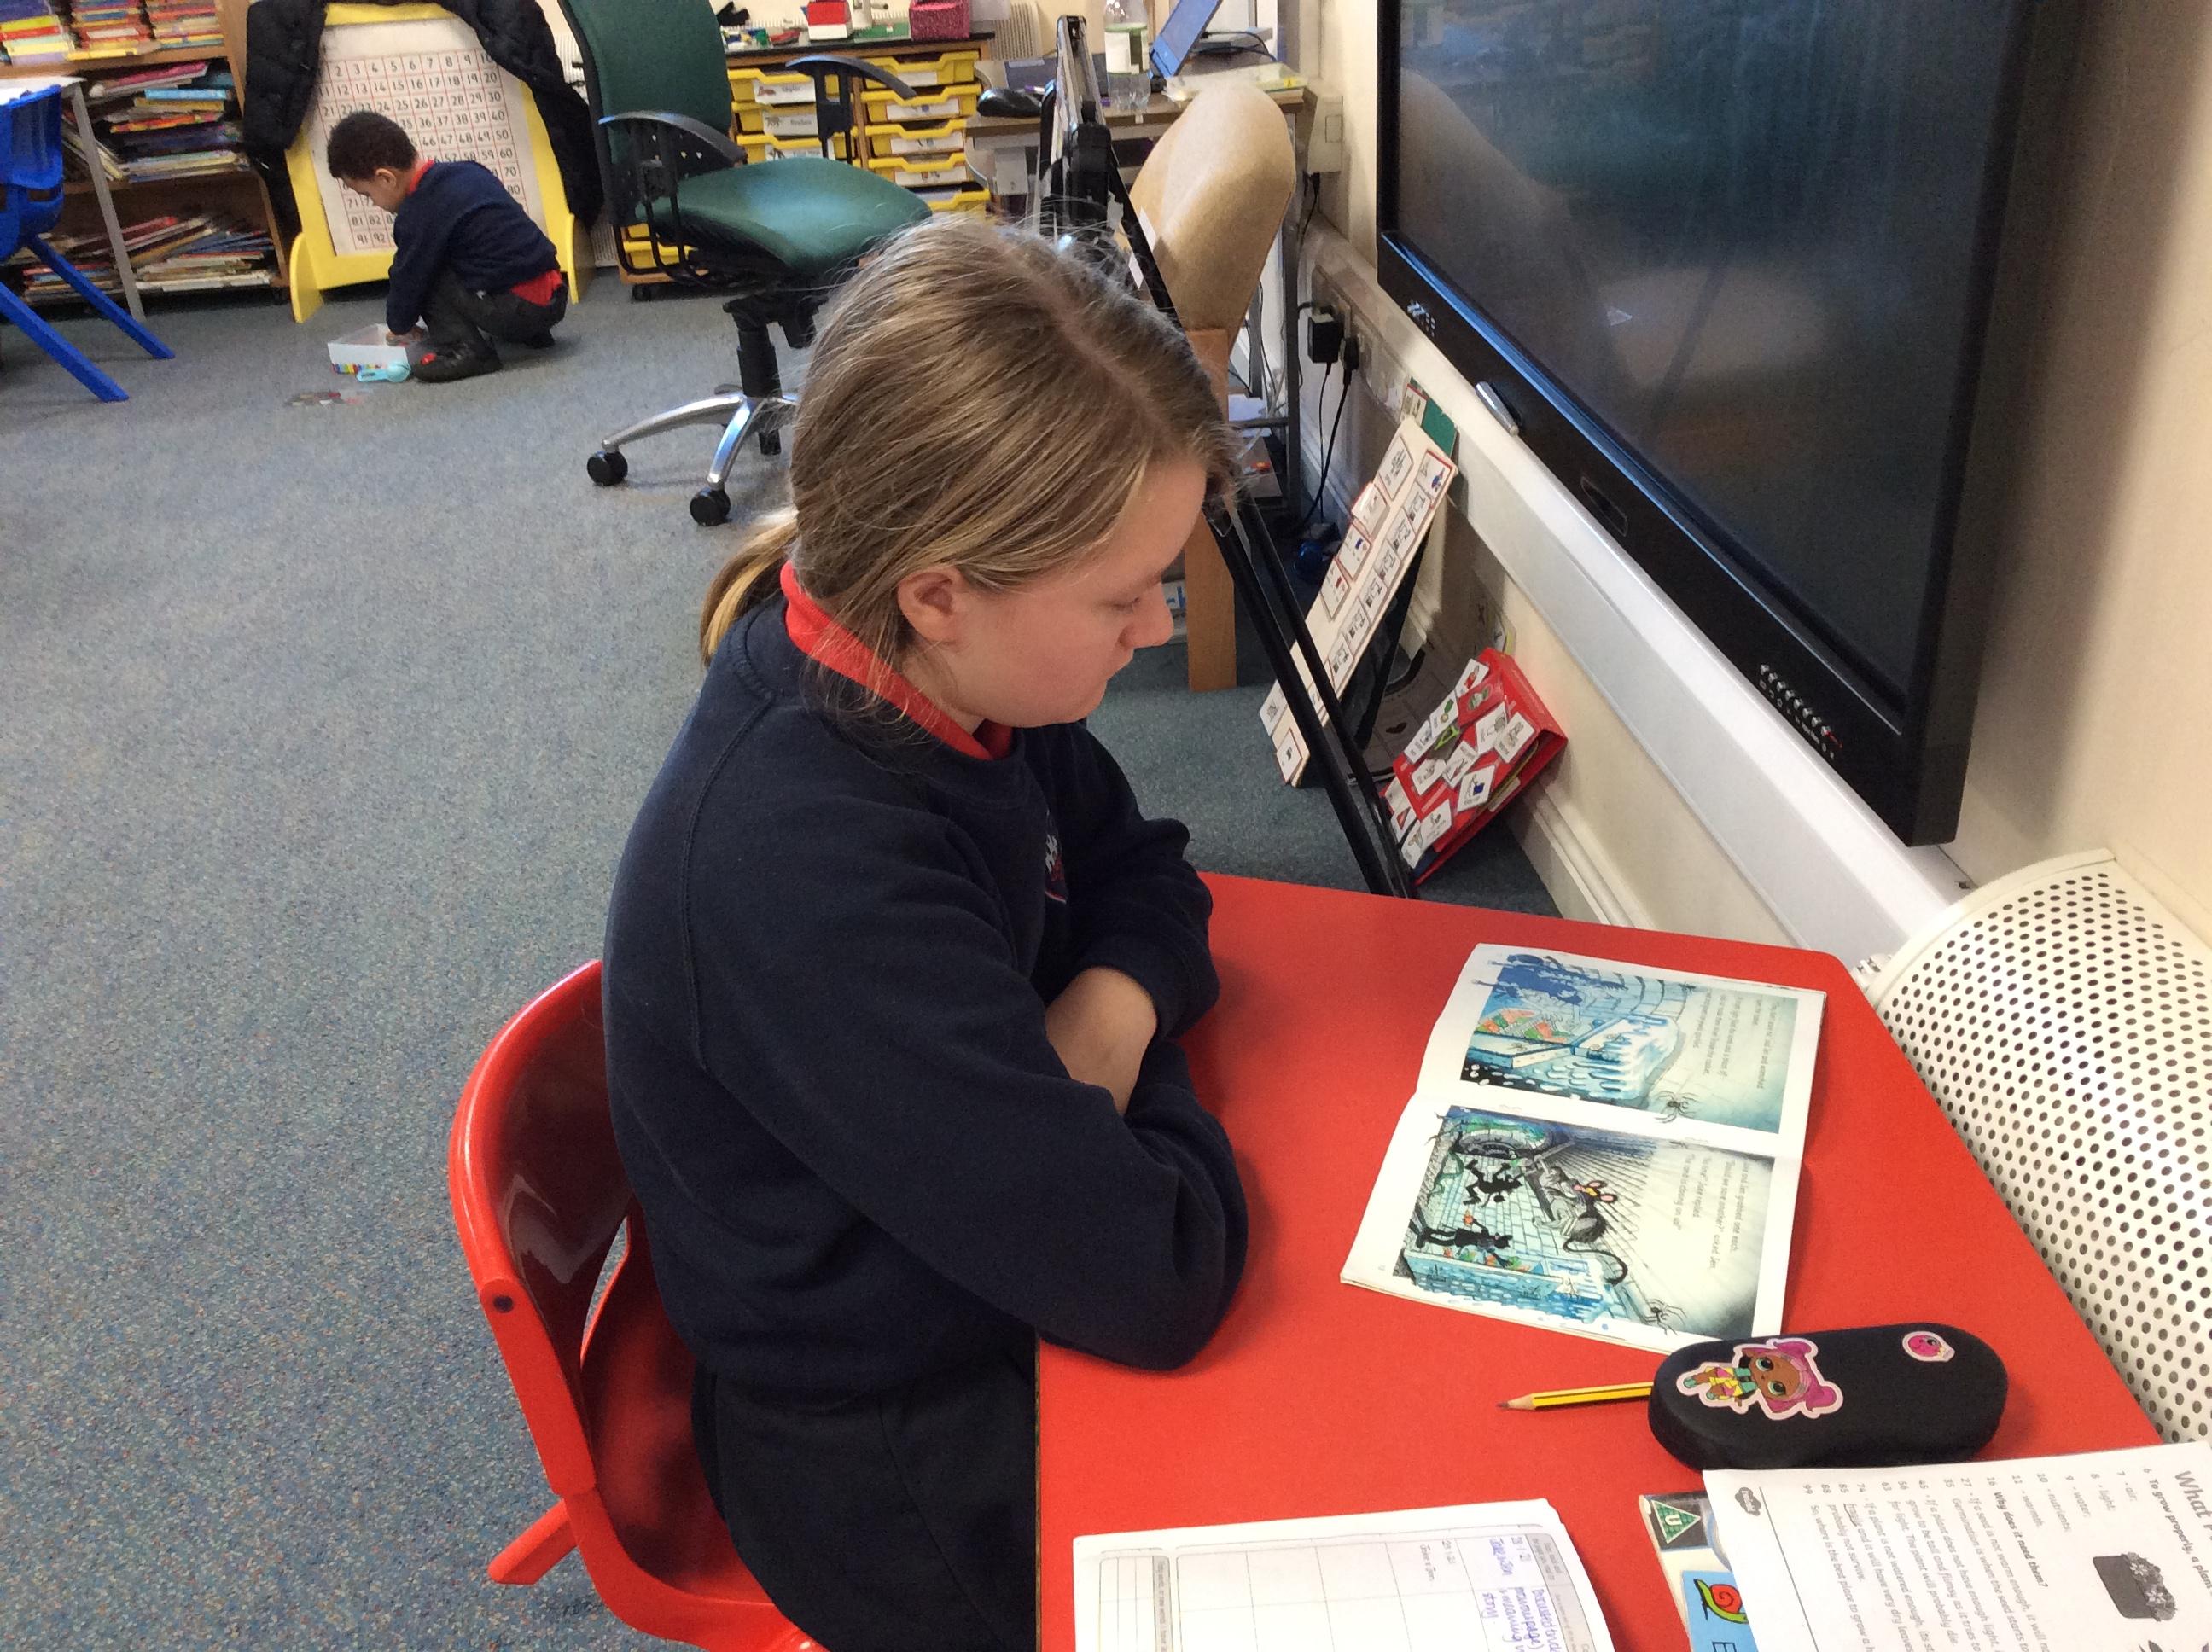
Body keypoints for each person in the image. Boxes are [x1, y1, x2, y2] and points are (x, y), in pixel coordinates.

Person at [602, 215, 1249, 1652]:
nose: (1154, 629)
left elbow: (1149, 876)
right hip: (885, 1446)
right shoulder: (800, 866)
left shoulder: (957, 686)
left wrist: (1100, 1025)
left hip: (974, 1264)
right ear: (939, 591)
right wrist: (1095, 1069)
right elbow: (1155, 1270)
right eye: (1121, 595)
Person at [323, 109, 565, 384]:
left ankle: (464, 351)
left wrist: (399, 325)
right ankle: (534, 335)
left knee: (428, 270)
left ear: (386, 178)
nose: (373, 203)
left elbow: (407, 280)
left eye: (368, 195)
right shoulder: (467, 171)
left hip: (518, 310)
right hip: (554, 295)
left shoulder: (418, 212)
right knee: (469, 255)